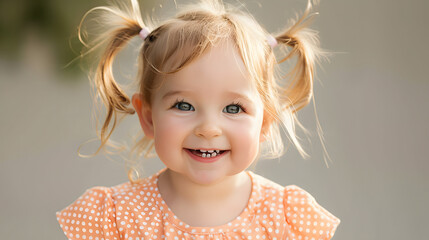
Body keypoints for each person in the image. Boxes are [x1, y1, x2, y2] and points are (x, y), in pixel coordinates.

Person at [56, 0, 341, 239]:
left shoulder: (288, 221)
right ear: (148, 118)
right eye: (183, 105)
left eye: (233, 108)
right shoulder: (114, 218)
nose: (208, 129)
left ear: (265, 122)